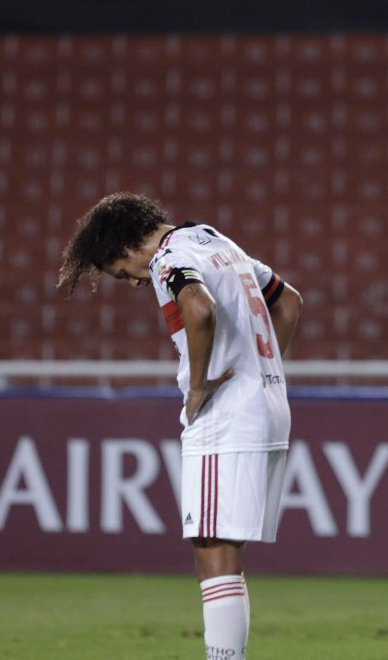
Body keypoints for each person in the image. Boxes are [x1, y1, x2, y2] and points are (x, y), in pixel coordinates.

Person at [58, 192, 302, 660]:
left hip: (226, 414)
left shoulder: (169, 257)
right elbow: (288, 302)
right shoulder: (214, 240)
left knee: (213, 547)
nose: (131, 283)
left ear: (124, 248)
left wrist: (197, 388)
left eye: (120, 273)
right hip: (267, 405)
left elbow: (199, 307)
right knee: (219, 543)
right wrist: (258, 374)